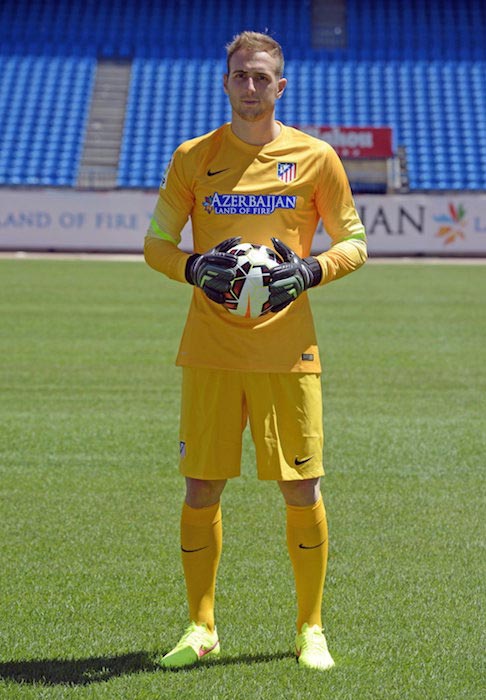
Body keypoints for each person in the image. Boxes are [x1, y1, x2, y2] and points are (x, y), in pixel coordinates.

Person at [144, 30, 367, 671]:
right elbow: (157, 243)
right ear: (226, 83)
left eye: (261, 77)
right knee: (200, 488)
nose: (250, 86)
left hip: (288, 352)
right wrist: (191, 269)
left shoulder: (317, 157)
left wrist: (310, 272)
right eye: (240, 75)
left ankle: (311, 629)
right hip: (210, 349)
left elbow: (353, 240)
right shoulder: (194, 156)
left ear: (280, 85)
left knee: (302, 489)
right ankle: (201, 625)